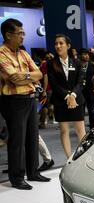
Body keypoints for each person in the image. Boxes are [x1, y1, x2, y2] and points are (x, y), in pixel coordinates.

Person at [0, 18, 50, 190]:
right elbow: (13, 78)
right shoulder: (1, 53)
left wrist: (26, 76)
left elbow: (40, 74)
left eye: (23, 33)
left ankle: (33, 172)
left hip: (30, 99)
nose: (23, 36)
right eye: (19, 33)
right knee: (17, 140)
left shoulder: (23, 53)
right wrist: (30, 76)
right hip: (13, 102)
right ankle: (17, 177)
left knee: (32, 137)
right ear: (8, 35)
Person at [47, 34, 86, 159]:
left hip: (77, 99)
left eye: (61, 43)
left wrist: (73, 95)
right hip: (60, 100)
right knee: (64, 131)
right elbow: (54, 84)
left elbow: (80, 82)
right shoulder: (51, 63)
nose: (58, 46)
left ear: (68, 46)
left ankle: (82, 156)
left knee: (81, 130)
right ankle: (69, 158)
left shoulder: (77, 62)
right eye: (56, 43)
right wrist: (67, 96)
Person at [79, 48, 94, 129]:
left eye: (87, 54)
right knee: (80, 111)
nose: (86, 56)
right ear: (80, 55)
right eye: (84, 54)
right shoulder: (77, 65)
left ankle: (92, 127)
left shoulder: (92, 66)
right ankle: (81, 128)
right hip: (79, 91)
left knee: (91, 110)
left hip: (90, 91)